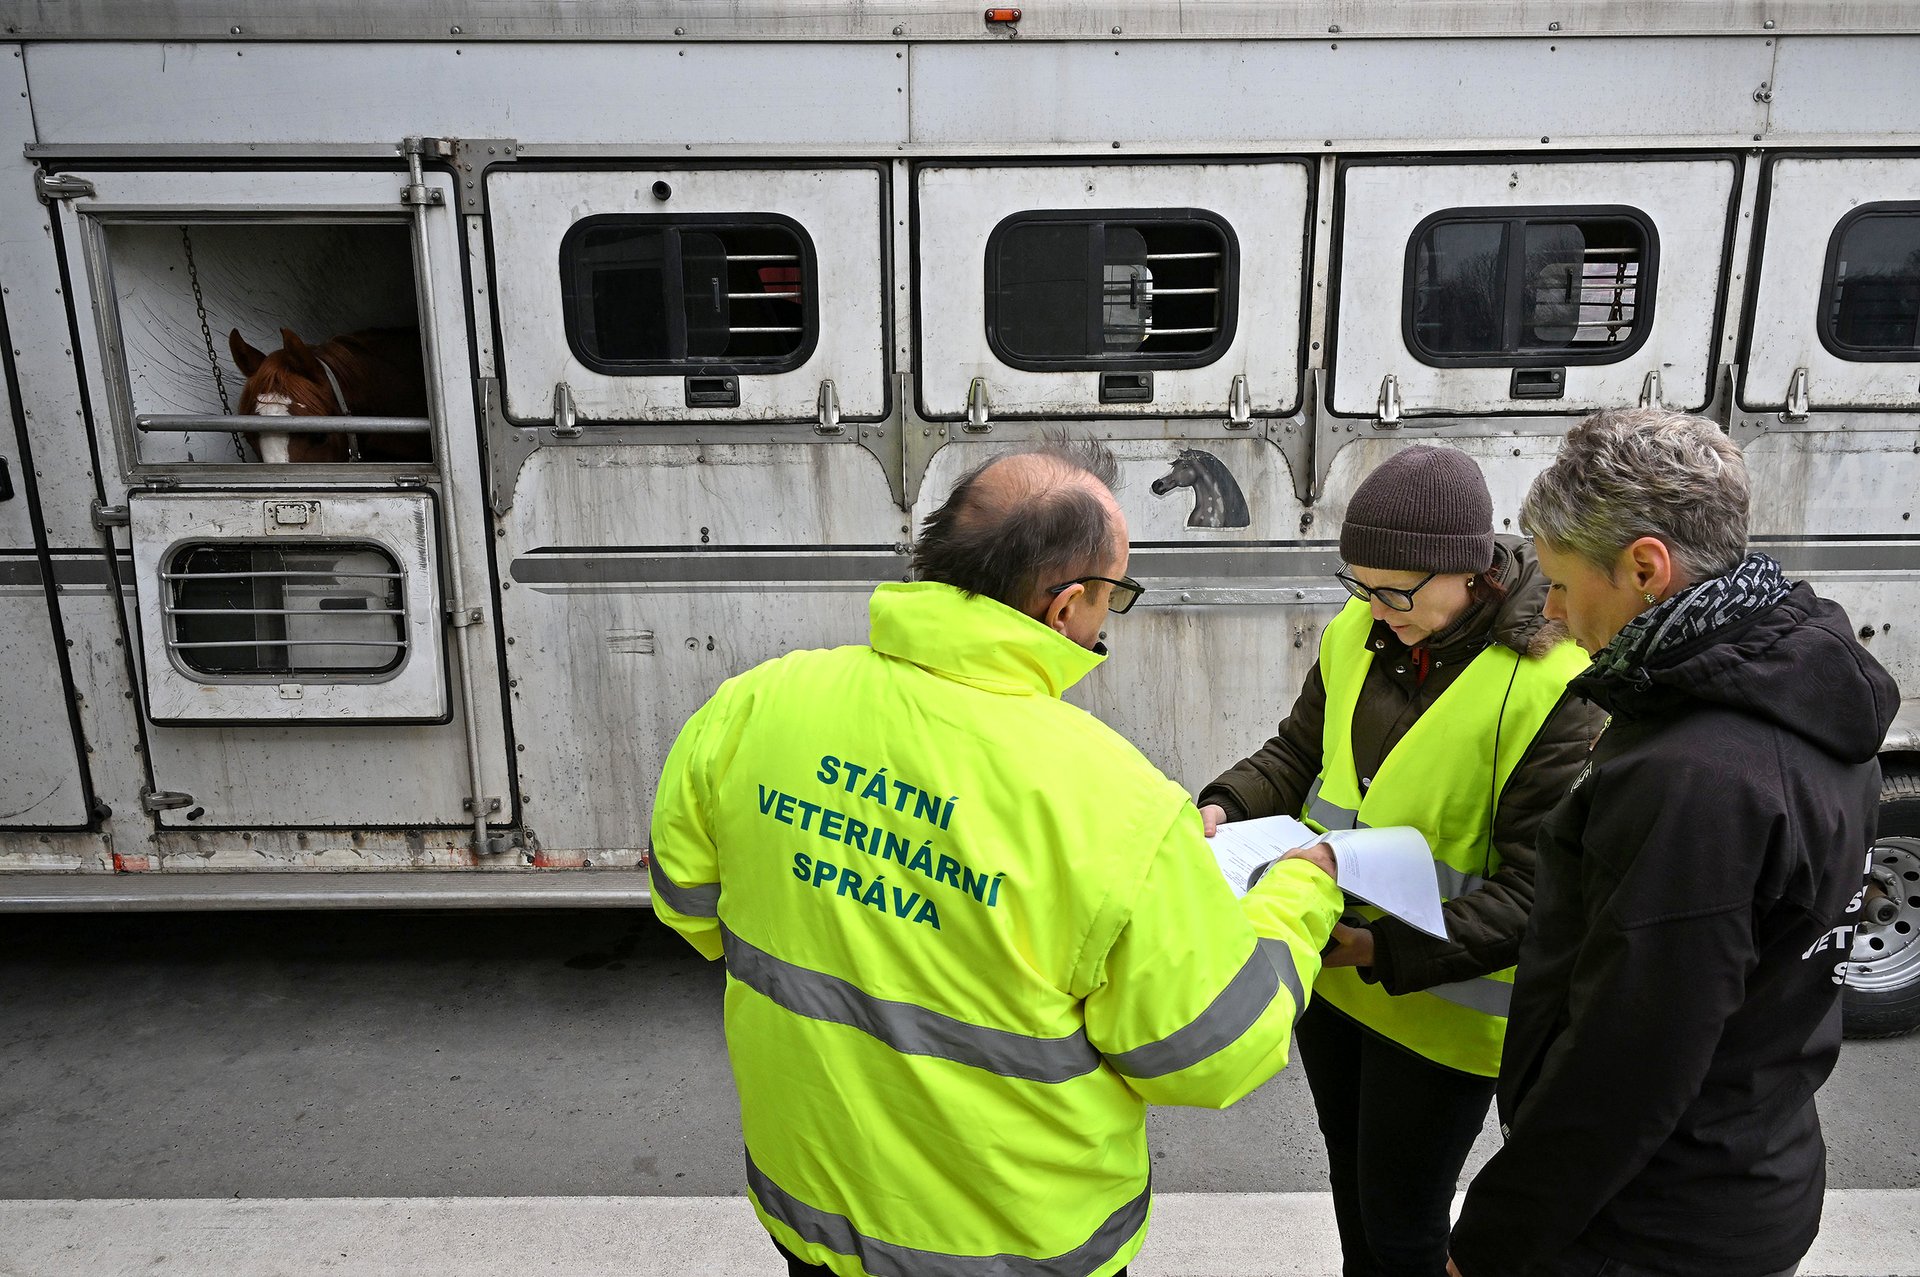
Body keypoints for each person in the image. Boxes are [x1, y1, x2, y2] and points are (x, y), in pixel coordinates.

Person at [649, 438, 1343, 1277]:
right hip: (1019, 1247)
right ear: (1066, 608)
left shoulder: (755, 704)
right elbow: (1212, 1049)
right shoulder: (1117, 803)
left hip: (815, 1215)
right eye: (1113, 596)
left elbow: (689, 903)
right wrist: (1300, 893)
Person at [1447, 409, 1899, 1277]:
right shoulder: (1804, 694)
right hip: (1752, 1168)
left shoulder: (1696, 777)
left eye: (1561, 583)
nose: (1552, 611)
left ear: (1646, 569)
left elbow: (1626, 1067)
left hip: (1648, 1225)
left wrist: (1491, 1240)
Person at [1198, 444, 1603, 1277]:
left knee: (1403, 1225)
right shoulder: (1363, 629)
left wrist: (1379, 947)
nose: (1377, 611)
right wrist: (1224, 807)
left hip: (1442, 1011)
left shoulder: (1554, 682)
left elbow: (1539, 891)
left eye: (1395, 592)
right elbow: (1298, 751)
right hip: (1336, 980)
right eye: (1362, 587)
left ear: (1470, 571)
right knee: (1354, 1193)